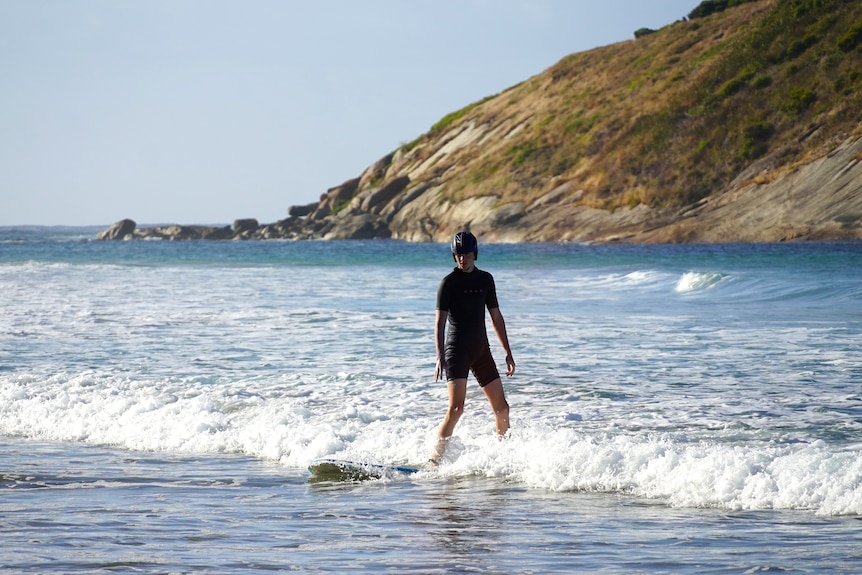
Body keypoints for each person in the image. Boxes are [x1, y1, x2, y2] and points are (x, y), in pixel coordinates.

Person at [431, 231, 515, 466]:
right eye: (458, 255)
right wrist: (440, 356)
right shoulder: (448, 283)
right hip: (457, 351)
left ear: (474, 254)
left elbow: (496, 317)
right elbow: (439, 322)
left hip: (481, 351)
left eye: (466, 254)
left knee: (502, 409)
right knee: (456, 409)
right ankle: (434, 460)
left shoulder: (486, 280)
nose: (462, 259)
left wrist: (507, 352)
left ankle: (504, 457)